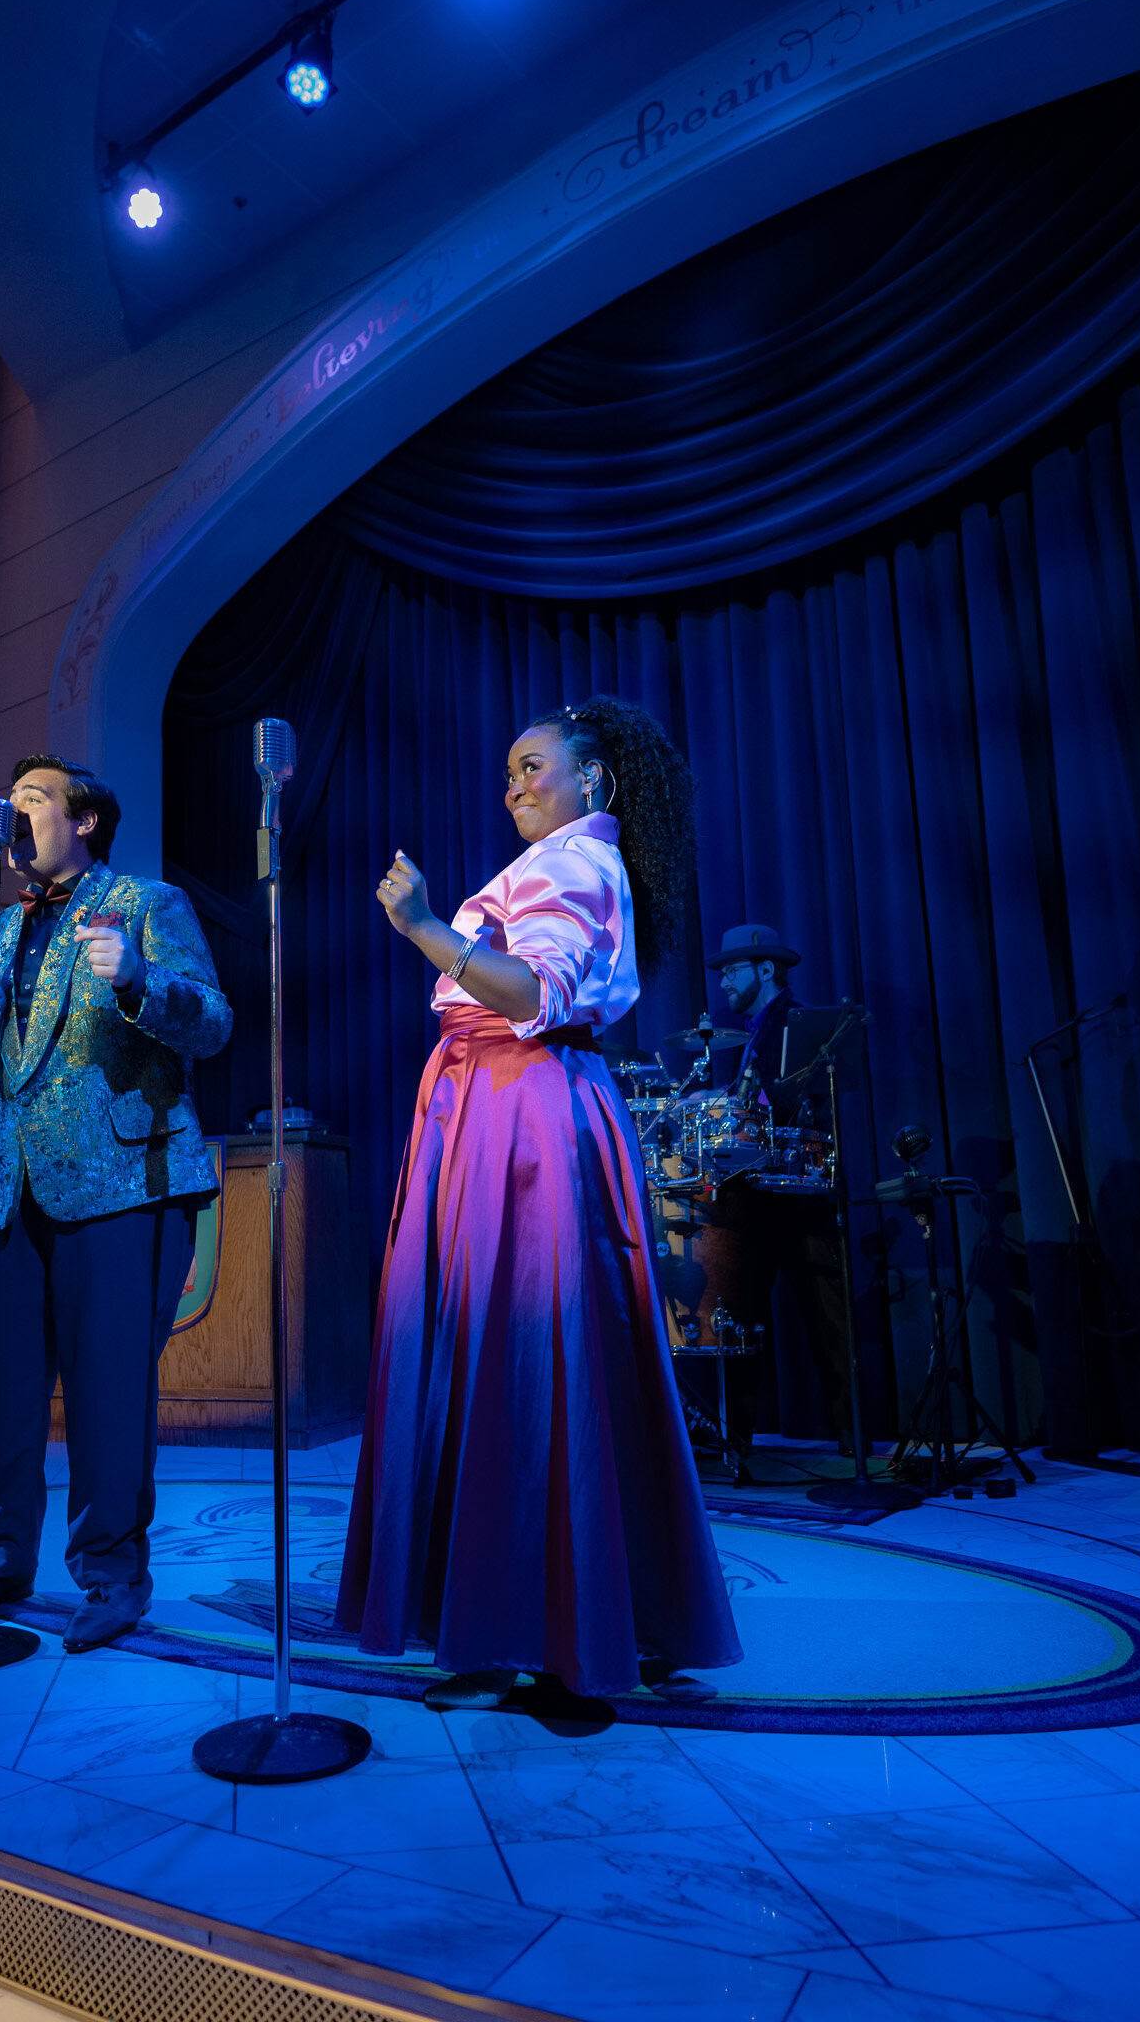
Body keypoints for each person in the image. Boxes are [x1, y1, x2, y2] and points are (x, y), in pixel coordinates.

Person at [335, 696, 741, 1708]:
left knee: (528, 1357)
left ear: (592, 780)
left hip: (522, 1111)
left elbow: (535, 997)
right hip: (491, 1105)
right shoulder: (559, 861)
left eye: (532, 767)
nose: (514, 785)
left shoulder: (572, 860)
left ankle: (554, 1630)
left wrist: (424, 924)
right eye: (509, 770)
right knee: (512, 1359)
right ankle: (530, 1616)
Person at [0, 754, 230, 1654]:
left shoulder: (145, 904)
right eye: (7, 801)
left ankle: (111, 1572)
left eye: (33, 799)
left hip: (122, 1185)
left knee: (107, 1394)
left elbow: (212, 1021)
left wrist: (138, 981)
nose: (14, 814)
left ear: (84, 819)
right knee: (0, 1397)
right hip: (9, 1192)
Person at [670, 925, 851, 1451]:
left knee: (827, 1317)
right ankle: (737, 1436)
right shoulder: (756, 1031)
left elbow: (790, 1100)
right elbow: (755, 1100)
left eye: (733, 970)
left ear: (766, 969)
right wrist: (713, 1098)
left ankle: (849, 1438)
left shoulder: (798, 1022)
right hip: (761, 1195)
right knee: (740, 1313)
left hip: (801, 1195)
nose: (724, 981)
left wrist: (723, 1102)